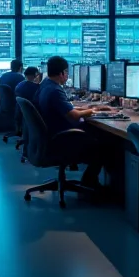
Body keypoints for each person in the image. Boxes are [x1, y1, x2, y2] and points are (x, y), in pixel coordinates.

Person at [35, 56, 113, 188]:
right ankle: (90, 182)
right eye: (67, 73)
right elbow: (74, 116)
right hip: (61, 139)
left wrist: (87, 108)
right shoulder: (55, 90)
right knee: (106, 145)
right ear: (62, 73)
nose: (67, 76)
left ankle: (90, 181)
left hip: (51, 136)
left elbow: (63, 108)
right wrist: (93, 111)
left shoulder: (46, 86)